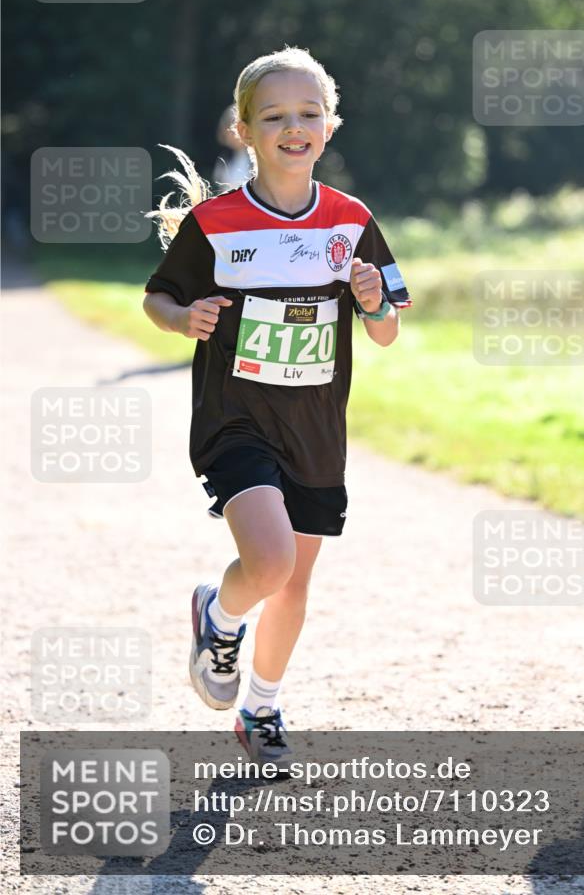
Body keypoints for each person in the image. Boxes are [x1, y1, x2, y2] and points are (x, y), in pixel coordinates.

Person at [143, 46, 412, 769]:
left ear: (330, 125)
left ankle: (261, 703)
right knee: (266, 562)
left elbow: (386, 330)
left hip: (317, 428)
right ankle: (219, 614)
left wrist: (369, 300)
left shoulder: (351, 220)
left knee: (294, 581)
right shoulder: (219, 222)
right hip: (236, 419)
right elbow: (157, 295)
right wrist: (181, 319)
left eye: (308, 113)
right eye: (274, 116)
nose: (293, 127)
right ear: (244, 129)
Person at [211, 104, 253, 191]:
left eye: (232, 130)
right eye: (227, 130)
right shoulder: (224, 159)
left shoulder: (257, 159)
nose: (229, 134)